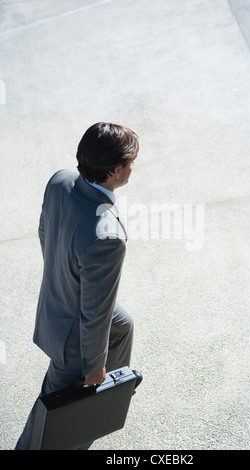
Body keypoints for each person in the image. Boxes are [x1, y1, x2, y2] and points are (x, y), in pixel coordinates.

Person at [15, 122, 139, 450]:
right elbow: (94, 312)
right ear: (114, 171)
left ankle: (109, 393)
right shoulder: (106, 237)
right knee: (56, 421)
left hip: (55, 307)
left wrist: (64, 278)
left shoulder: (60, 181)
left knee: (123, 323)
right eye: (130, 163)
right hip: (74, 341)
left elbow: (45, 235)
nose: (132, 168)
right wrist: (95, 366)